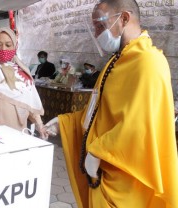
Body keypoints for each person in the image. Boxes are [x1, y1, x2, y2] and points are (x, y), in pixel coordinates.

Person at [44, 0, 178, 207]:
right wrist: (63, 122)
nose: (97, 34)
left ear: (124, 18)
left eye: (100, 26)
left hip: (128, 177)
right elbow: (98, 112)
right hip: (103, 173)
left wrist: (99, 152)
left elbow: (140, 125)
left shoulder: (150, 62)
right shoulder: (114, 63)